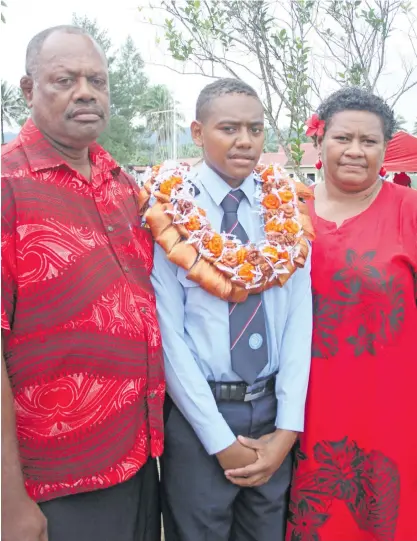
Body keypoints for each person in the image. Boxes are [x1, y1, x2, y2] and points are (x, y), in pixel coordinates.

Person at [1, 26, 164, 541]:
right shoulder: (8, 186)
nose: (86, 91)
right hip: (53, 483)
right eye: (65, 79)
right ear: (29, 91)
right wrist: (10, 505)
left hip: (137, 457)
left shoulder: (121, 183)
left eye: (97, 79)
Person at [150, 78, 312, 541]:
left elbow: (300, 321)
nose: (245, 141)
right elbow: (169, 335)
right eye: (229, 128)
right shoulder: (171, 210)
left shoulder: (286, 207)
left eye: (256, 129)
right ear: (198, 133)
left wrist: (287, 429)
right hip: (200, 416)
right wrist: (218, 441)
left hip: (270, 412)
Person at [286, 87, 417, 541]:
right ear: (319, 141)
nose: (356, 152)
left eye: (370, 141)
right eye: (343, 138)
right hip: (298, 410)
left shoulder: (409, 211)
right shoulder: (285, 211)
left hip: (389, 409)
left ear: (385, 147)